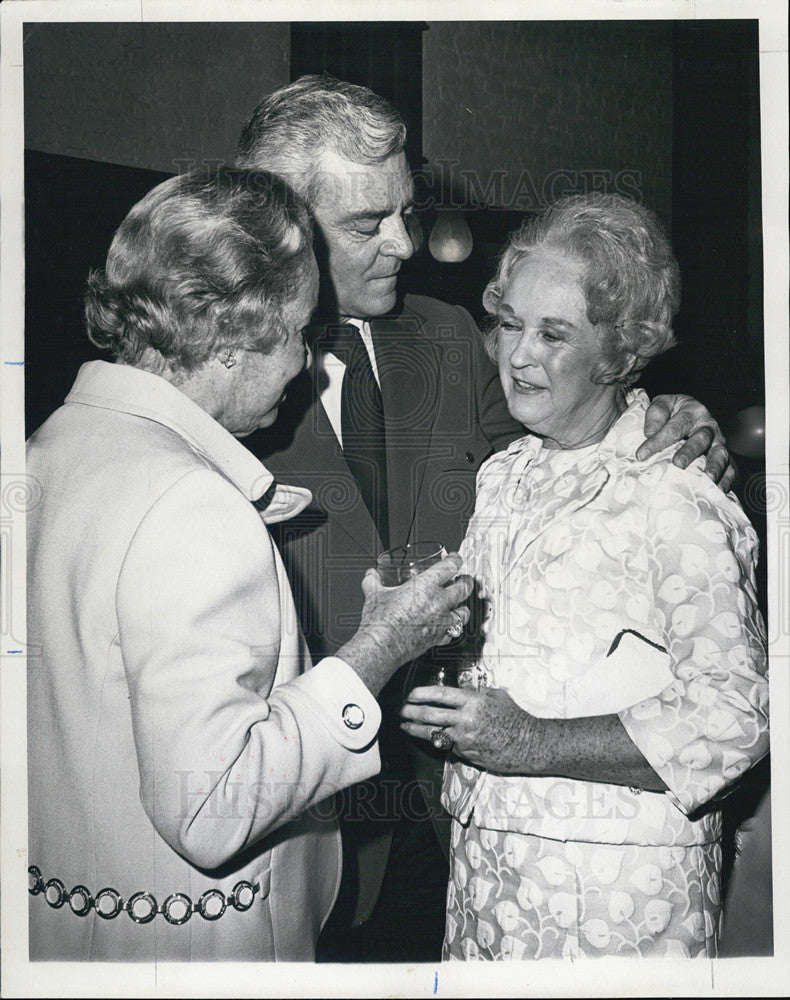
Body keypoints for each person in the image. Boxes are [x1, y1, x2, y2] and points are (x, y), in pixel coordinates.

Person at [234, 74, 735, 963]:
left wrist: (673, 410)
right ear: (284, 227)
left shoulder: (451, 336)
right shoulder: (225, 378)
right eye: (366, 224)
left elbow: (576, 445)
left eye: (405, 210)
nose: (404, 241)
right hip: (295, 822)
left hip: (463, 824)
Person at [25, 167, 473, 962]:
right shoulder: (191, 505)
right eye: (303, 333)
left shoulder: (54, 445)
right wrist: (377, 651)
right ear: (233, 341)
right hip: (193, 942)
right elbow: (211, 809)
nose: (307, 364)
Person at [401, 193, 769, 960]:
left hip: (614, 899)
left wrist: (533, 741)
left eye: (553, 333)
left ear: (619, 350)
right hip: (487, 878)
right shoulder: (505, 475)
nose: (517, 355)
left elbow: (735, 721)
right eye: (509, 324)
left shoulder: (675, 490)